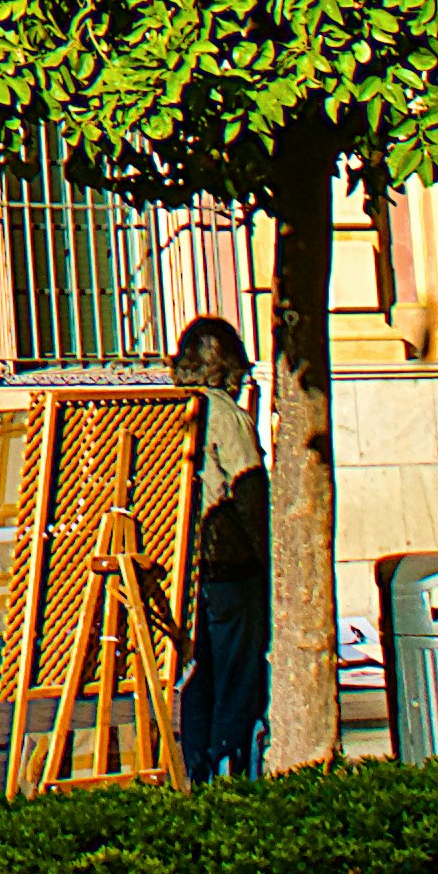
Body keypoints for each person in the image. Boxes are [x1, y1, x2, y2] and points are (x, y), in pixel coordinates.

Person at [171, 316, 272, 783]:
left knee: (198, 679)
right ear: (229, 369)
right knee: (235, 679)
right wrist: (269, 557)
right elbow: (251, 493)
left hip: (184, 572)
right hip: (230, 568)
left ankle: (199, 774)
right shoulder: (225, 415)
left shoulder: (168, 411)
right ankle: (233, 777)